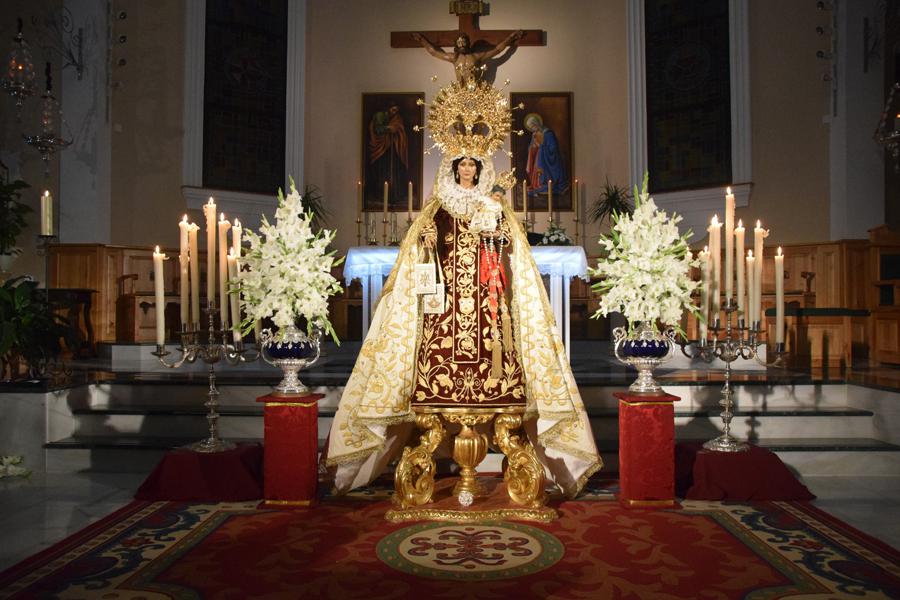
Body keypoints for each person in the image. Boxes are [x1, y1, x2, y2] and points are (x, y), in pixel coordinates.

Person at [325, 151, 601, 498]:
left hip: (488, 304)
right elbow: (419, 250)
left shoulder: (494, 204)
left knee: (498, 362)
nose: (468, 169)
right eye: (462, 165)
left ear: (479, 170)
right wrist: (425, 240)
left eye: (472, 164)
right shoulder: (439, 207)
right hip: (445, 306)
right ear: (454, 169)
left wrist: (497, 231)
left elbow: (510, 247)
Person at [411, 31, 524, 83]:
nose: (462, 44)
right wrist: (421, 39)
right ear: (456, 45)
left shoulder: (476, 57)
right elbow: (434, 52)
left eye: (464, 42)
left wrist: (510, 38)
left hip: (475, 90)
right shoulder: (454, 58)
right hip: (460, 91)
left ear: (468, 43)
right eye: (459, 43)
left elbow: (497, 50)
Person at [367, 104, 409, 206]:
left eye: (396, 110)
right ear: (388, 108)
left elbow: (400, 128)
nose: (394, 112)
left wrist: (396, 129)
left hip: (394, 148)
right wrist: (389, 128)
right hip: (382, 149)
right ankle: (381, 194)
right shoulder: (380, 115)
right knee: (382, 170)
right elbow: (377, 129)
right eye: (393, 109)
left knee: (394, 170)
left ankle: (395, 194)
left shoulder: (397, 118)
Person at [524, 112, 568, 197]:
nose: (532, 129)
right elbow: (532, 146)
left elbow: (553, 148)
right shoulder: (534, 134)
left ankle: (546, 184)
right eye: (531, 128)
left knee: (542, 169)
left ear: (537, 123)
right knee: (537, 169)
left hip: (547, 158)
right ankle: (538, 184)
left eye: (533, 126)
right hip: (539, 157)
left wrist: (542, 146)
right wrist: (533, 146)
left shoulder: (548, 133)